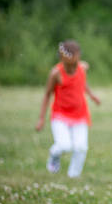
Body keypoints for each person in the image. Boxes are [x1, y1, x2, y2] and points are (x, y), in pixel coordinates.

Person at [35, 40, 101, 178]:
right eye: (74, 56)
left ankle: (73, 176)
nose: (77, 59)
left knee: (81, 147)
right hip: (60, 115)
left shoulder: (82, 67)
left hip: (80, 115)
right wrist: (41, 118)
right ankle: (54, 155)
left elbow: (82, 82)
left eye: (78, 55)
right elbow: (47, 95)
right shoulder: (56, 74)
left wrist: (91, 95)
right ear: (63, 57)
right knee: (64, 145)